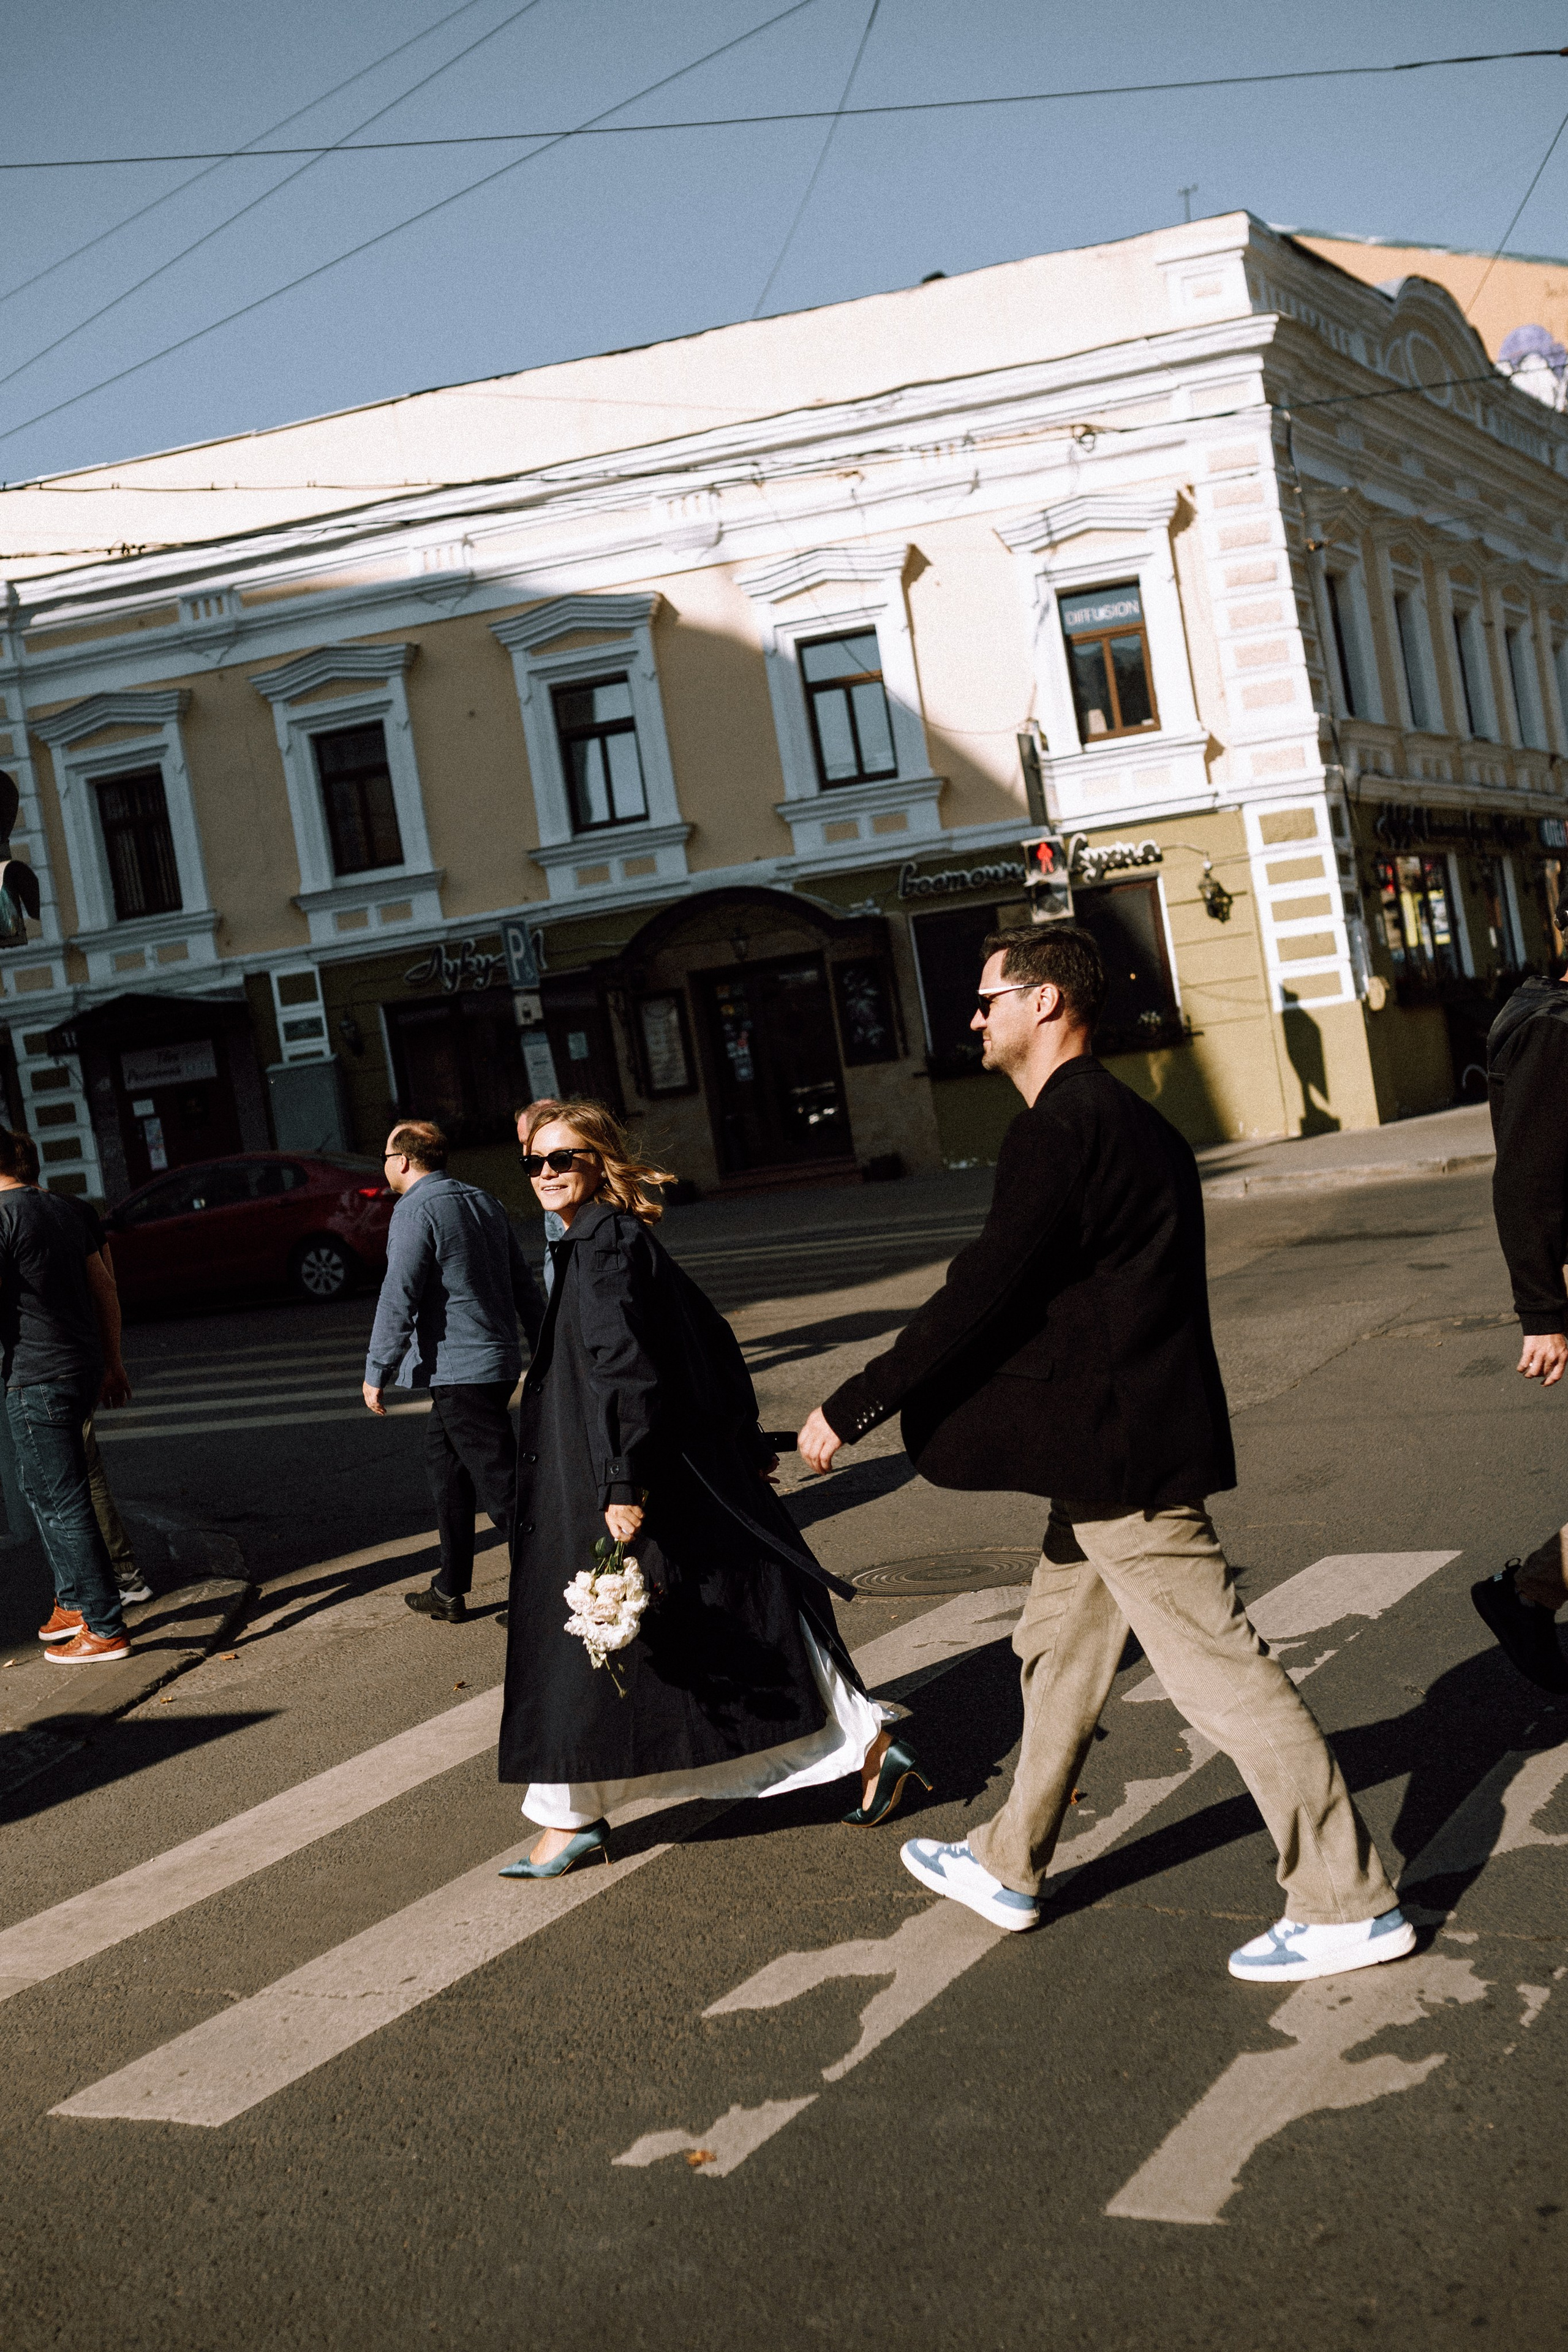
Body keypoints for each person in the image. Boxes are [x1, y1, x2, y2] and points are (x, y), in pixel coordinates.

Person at [797, 925, 1414, 1985]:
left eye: (988, 998)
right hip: (1108, 1447)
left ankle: (1346, 1897)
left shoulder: (1064, 1129)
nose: (976, 1018)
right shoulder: (1136, 1125)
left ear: (1047, 1004)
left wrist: (853, 1407)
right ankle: (1009, 1861)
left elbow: (986, 1291)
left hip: (1122, 1457)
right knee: (1057, 1649)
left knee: (1222, 1675)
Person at [497, 1099, 925, 1878]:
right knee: (661, 1628)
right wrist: (735, 1435)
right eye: (536, 1164)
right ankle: (570, 1811)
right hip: (619, 1464)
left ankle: (866, 1747)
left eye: (566, 1160)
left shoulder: (600, 1244)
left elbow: (628, 1368)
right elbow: (707, 1339)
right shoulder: (598, 1237)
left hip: (615, 1472)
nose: (548, 1175)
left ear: (599, 1163)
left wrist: (622, 1481)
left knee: (659, 1628)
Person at [363, 1122, 545, 1624]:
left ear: (402, 1160)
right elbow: (522, 1283)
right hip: (492, 1363)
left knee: (502, 1484)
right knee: (446, 1471)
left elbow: (398, 1291)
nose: (384, 1165)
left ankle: (545, 1589)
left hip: (460, 1370)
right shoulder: (484, 1201)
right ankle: (449, 1588)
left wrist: (377, 1368)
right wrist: (544, 1341)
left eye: (384, 1156)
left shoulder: (415, 1209)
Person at [1469, 918, 1568, 1692]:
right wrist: (1542, 1315)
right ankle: (1528, 1592)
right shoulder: (1548, 1029)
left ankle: (1531, 1592)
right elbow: (1524, 1180)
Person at [0, 1126, 134, 1663]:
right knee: (45, 1492)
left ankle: (103, 1626)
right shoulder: (68, 1210)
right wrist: (114, 1361)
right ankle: (76, 1602)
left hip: (36, 1376)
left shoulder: (4, 1218)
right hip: (80, 1367)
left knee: (63, 1502)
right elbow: (106, 1286)